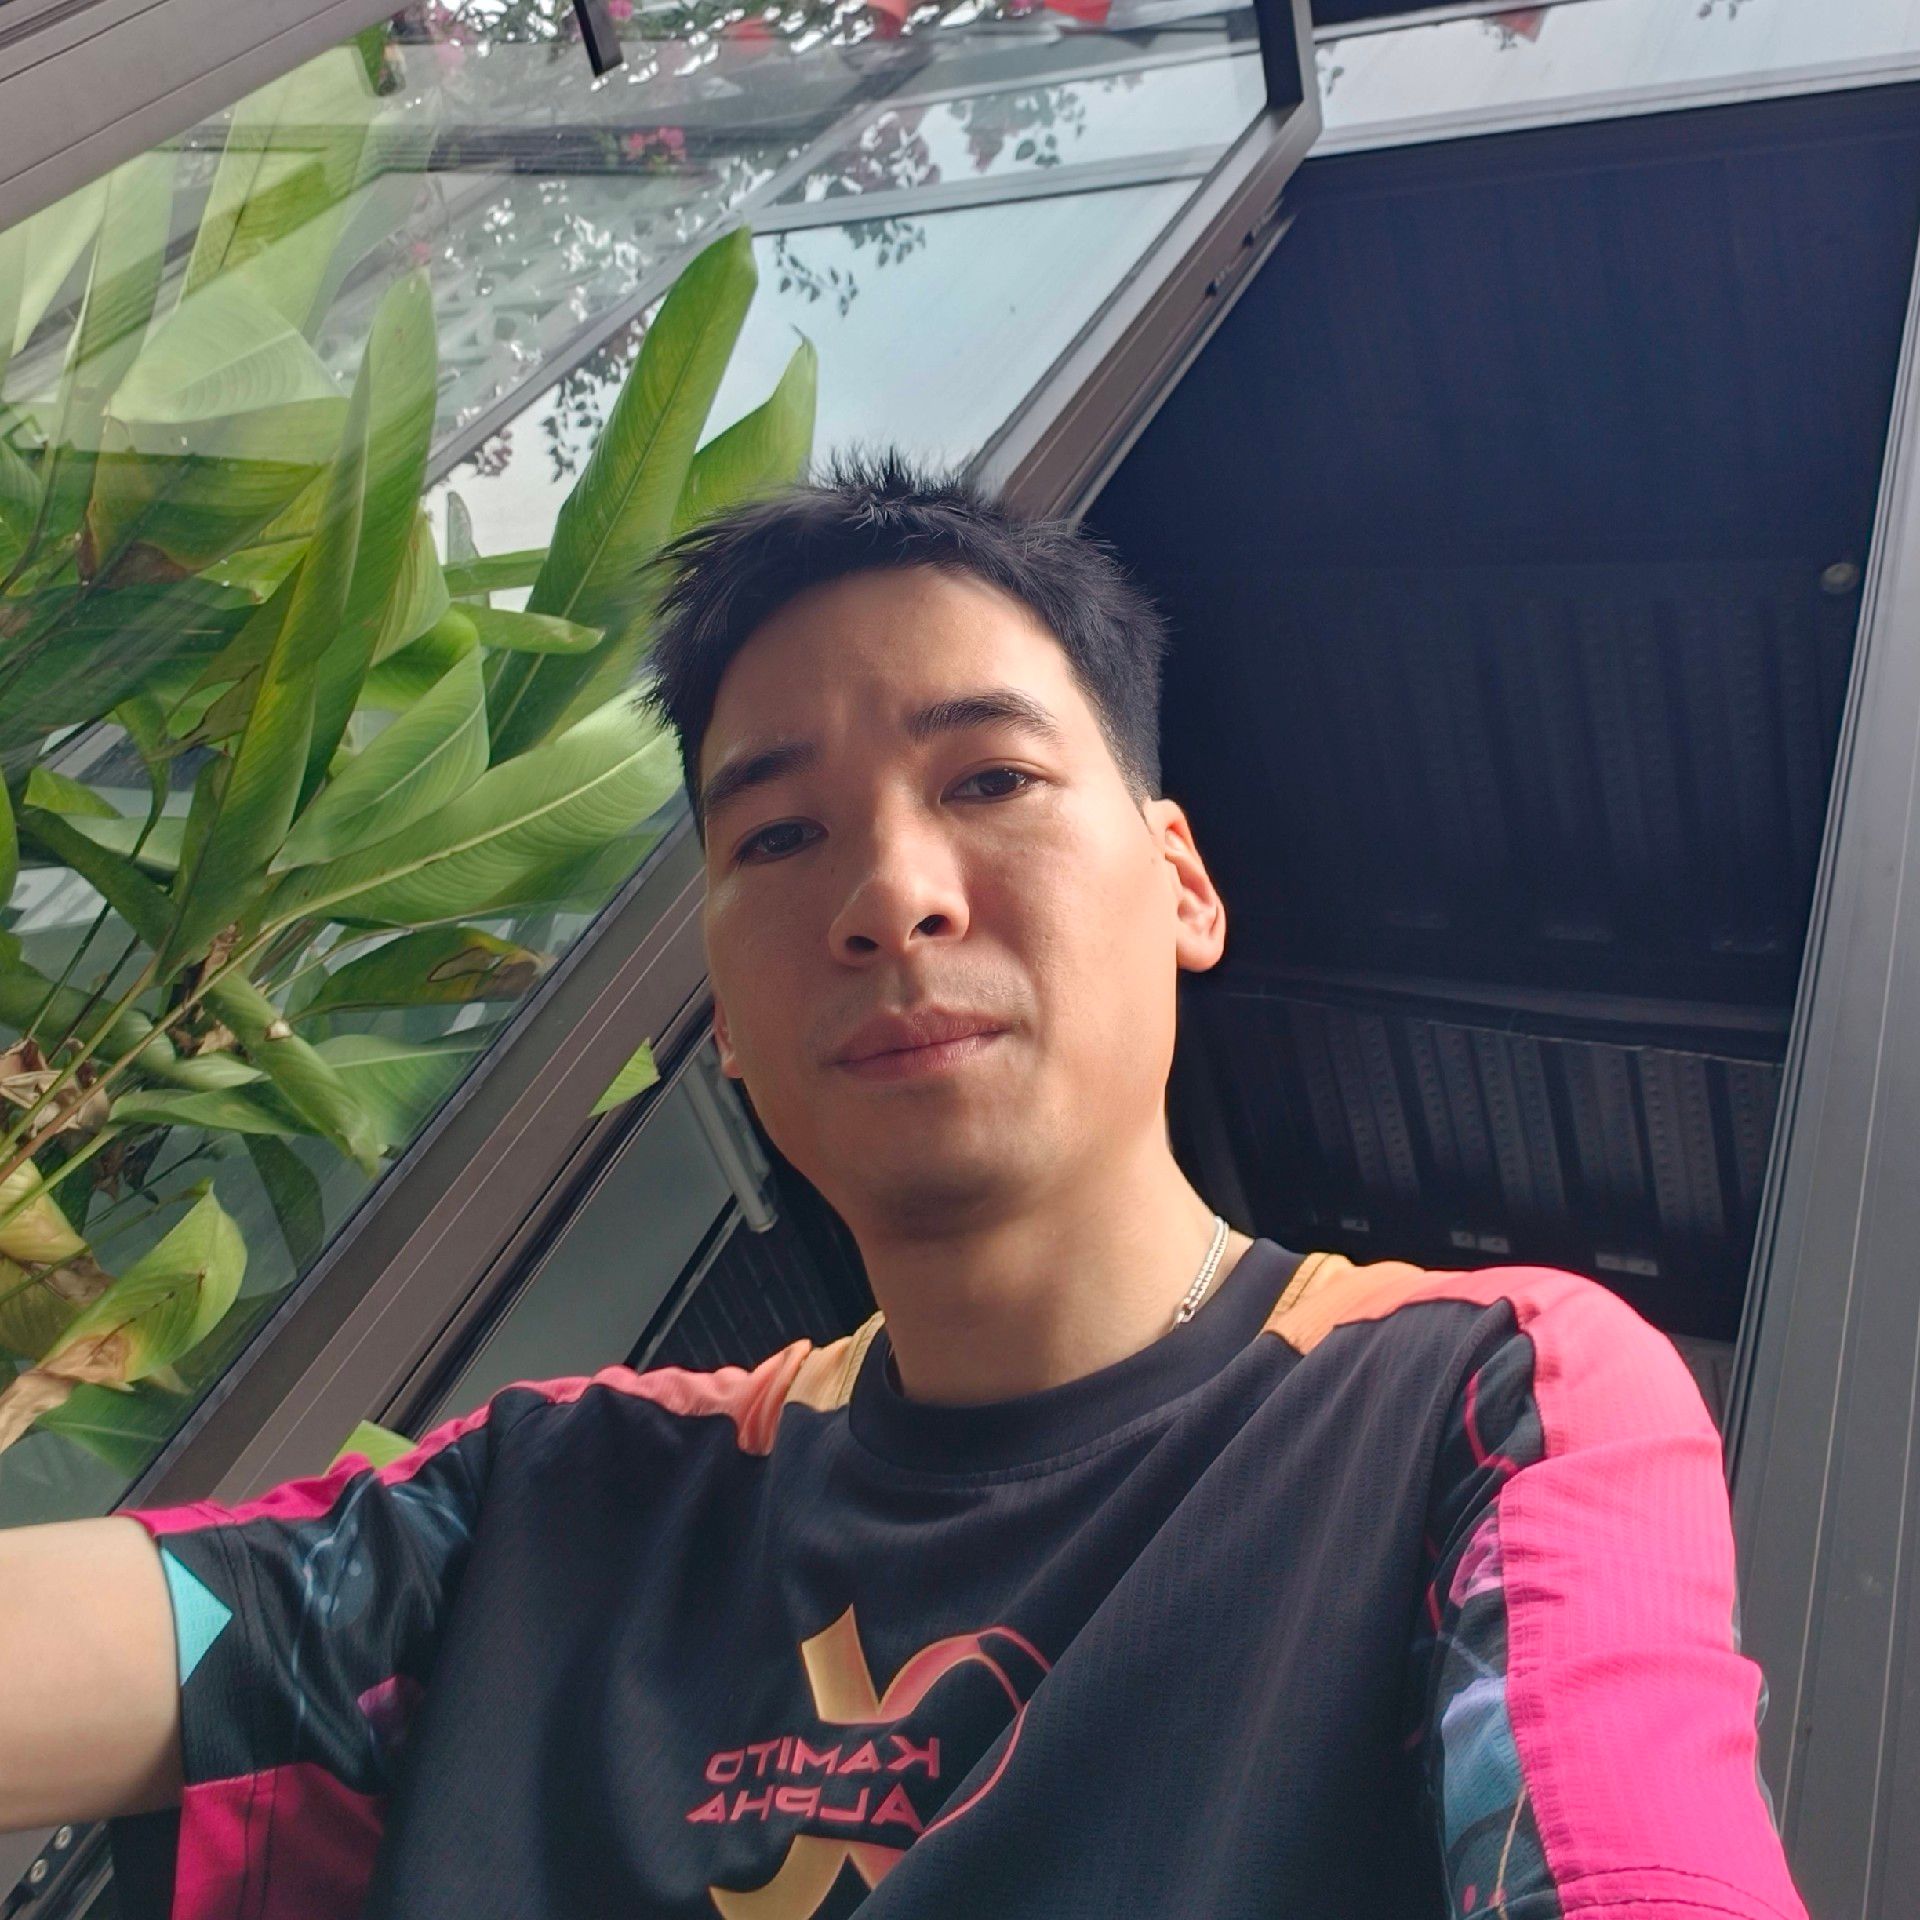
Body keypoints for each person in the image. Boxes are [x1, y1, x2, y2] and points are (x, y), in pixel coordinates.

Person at [0, 453, 1809, 1920]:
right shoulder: (541, 1511)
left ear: (1181, 884)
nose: (889, 896)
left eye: (991, 777)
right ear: (723, 1018)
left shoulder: (1470, 1399)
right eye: (780, 834)